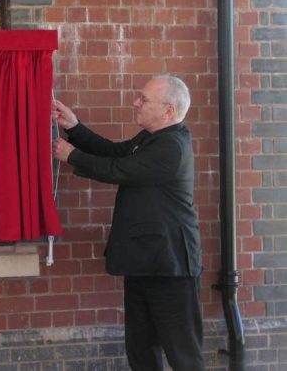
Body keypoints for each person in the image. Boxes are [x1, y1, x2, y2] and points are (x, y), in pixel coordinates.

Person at [51, 75, 204, 371]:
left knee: (183, 353)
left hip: (171, 267)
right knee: (141, 349)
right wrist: (75, 128)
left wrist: (73, 156)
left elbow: (120, 169)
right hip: (143, 262)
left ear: (169, 111)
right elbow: (115, 152)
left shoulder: (171, 145)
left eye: (144, 100)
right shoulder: (151, 138)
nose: (136, 102)